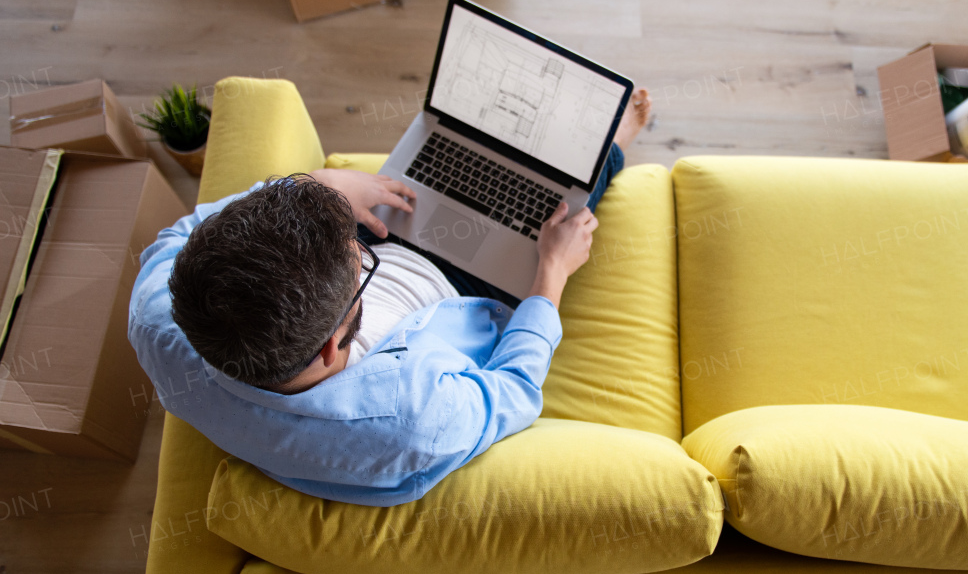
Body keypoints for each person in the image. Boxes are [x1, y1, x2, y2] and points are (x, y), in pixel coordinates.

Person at [128, 89, 652, 506]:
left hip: (308, 283)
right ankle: (612, 147)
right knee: (563, 211)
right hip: (458, 297)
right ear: (332, 348)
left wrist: (322, 185)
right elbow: (514, 390)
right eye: (361, 261)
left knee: (456, 150)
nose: (361, 249)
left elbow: (183, 237)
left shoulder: (158, 320)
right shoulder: (411, 420)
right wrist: (551, 275)